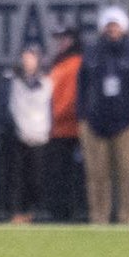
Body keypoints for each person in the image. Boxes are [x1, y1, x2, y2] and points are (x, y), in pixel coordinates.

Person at [77, 6, 129, 225]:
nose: (113, 29)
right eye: (109, 25)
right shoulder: (92, 53)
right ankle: (99, 220)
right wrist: (82, 115)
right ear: (103, 28)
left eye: (116, 25)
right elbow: (82, 86)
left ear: (124, 28)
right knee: (97, 178)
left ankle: (128, 220)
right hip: (95, 123)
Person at [0, 45, 52, 224]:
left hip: (39, 136)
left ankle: (31, 212)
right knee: (15, 177)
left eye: (31, 58)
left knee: (35, 177)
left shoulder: (47, 82)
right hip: (16, 134)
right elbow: (2, 104)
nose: (27, 61)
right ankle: (15, 213)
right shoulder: (11, 80)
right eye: (25, 58)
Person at [45, 26, 85, 222]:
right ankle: (60, 214)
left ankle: (71, 215)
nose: (61, 43)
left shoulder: (76, 63)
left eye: (65, 39)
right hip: (56, 130)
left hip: (70, 130)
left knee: (70, 177)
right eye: (59, 39)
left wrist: (55, 116)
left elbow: (71, 100)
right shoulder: (58, 64)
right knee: (57, 177)